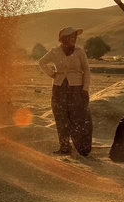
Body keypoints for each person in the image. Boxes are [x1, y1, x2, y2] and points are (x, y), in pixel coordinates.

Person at [39, 26, 92, 156]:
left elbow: (87, 71)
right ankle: (64, 147)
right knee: (61, 116)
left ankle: (82, 147)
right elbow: (41, 62)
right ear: (64, 39)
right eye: (71, 37)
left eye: (75, 37)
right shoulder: (55, 51)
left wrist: (85, 88)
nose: (74, 39)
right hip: (59, 87)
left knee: (78, 117)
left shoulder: (80, 52)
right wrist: (52, 74)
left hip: (77, 88)